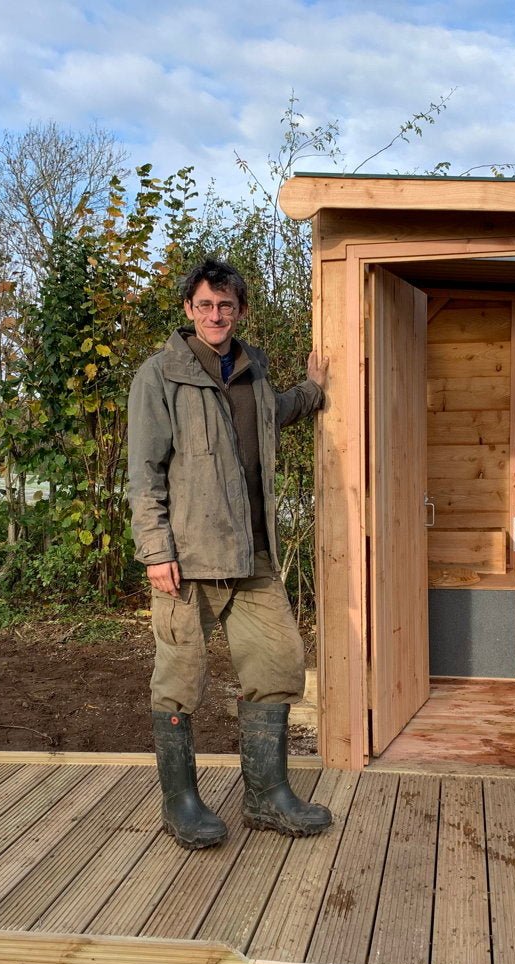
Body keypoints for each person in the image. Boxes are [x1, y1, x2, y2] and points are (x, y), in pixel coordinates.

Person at [127, 258, 331, 849]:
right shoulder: (160, 376)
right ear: (189, 310)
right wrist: (155, 551)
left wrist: (314, 391)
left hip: (253, 556)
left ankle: (267, 797)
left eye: (227, 306)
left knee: (277, 664)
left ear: (240, 311)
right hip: (186, 562)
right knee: (180, 680)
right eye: (206, 305)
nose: (217, 315)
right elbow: (144, 474)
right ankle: (181, 803)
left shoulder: (251, 369)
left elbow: (273, 416)